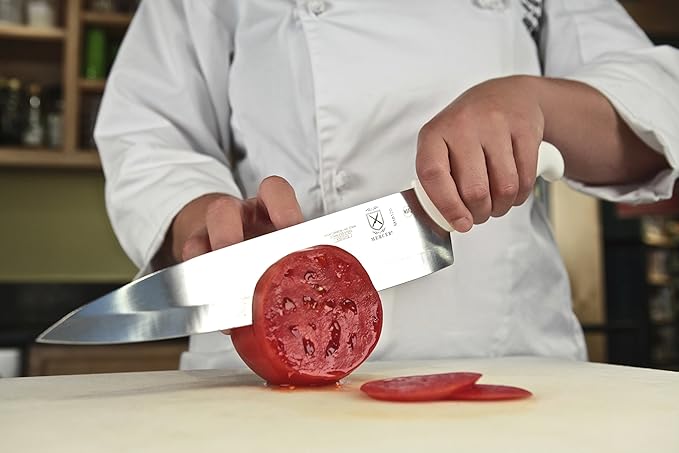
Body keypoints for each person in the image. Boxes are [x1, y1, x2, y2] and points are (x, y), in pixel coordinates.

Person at [94, 0, 679, 370]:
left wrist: (537, 101)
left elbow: (656, 109)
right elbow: (146, 129)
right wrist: (203, 220)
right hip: (266, 358)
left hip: (503, 360)